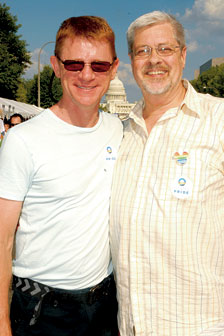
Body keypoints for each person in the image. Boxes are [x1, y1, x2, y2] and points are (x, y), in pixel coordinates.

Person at [0, 16, 122, 336]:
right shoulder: (22, 140)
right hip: (42, 310)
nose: (86, 74)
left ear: (114, 68)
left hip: (107, 305)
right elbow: (2, 239)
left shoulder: (119, 130)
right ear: (55, 65)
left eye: (98, 65)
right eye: (73, 64)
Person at [110, 11, 224, 336]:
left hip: (201, 326)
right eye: (143, 51)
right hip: (130, 326)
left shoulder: (219, 121)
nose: (154, 60)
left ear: (183, 55)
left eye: (165, 49)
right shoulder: (120, 134)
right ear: (131, 60)